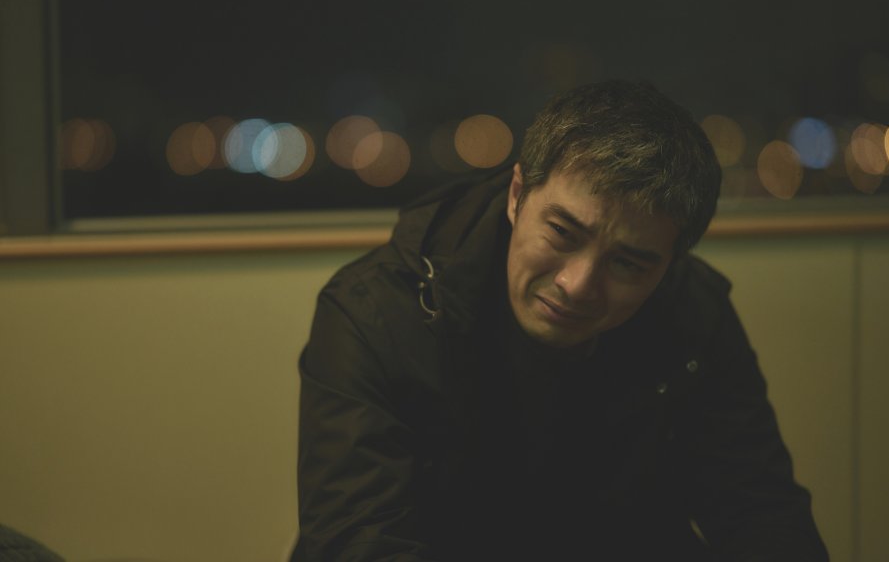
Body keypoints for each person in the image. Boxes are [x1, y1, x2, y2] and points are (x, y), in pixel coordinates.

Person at [289, 80, 829, 561]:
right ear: (517, 195)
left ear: (669, 265)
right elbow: (360, 542)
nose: (577, 284)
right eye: (563, 233)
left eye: (627, 264)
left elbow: (761, 511)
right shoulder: (377, 312)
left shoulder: (694, 311)